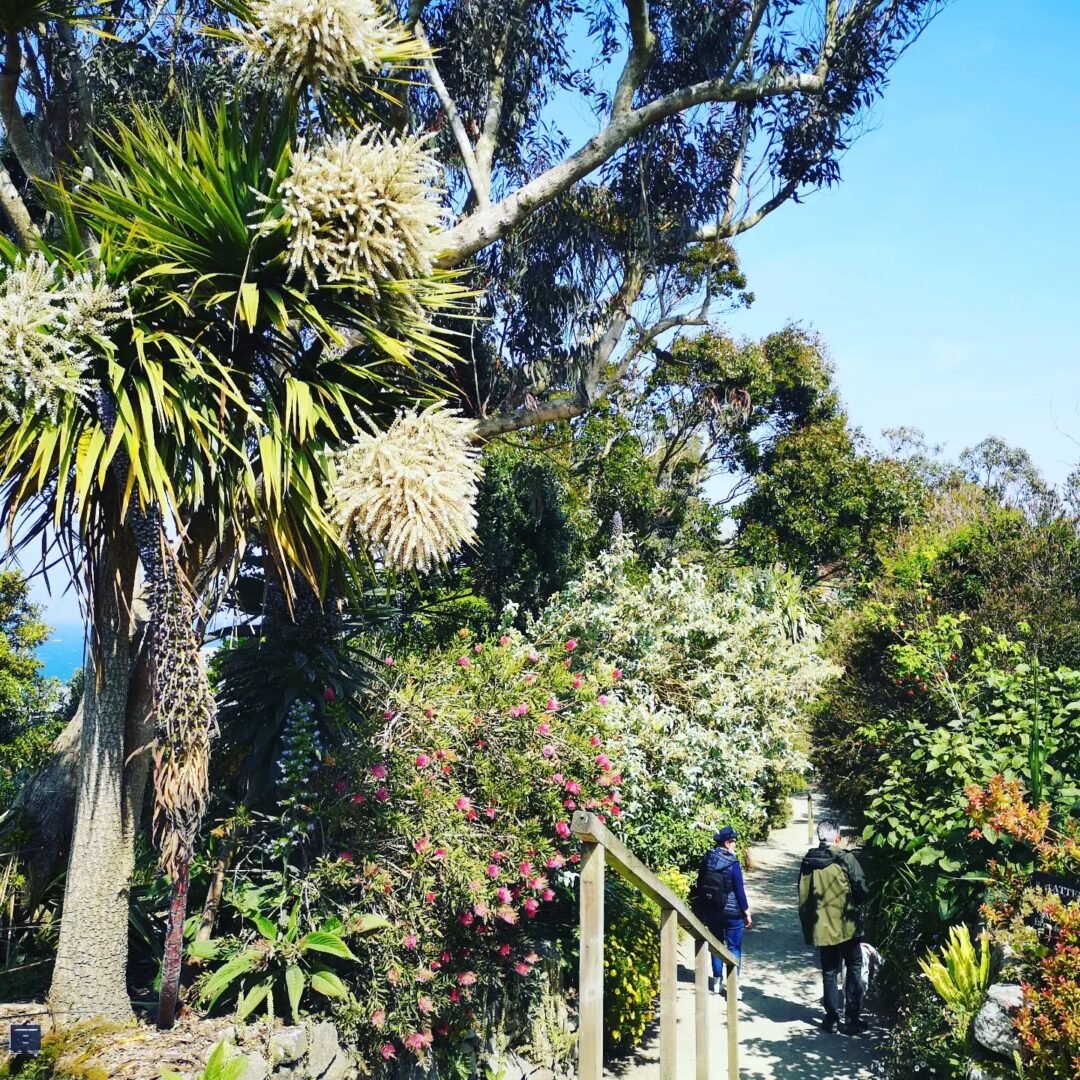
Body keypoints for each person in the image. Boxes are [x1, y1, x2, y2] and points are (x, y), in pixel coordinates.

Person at [798, 819, 869, 1034]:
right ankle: (852, 1018)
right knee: (854, 965)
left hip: (821, 925)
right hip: (846, 924)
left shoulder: (808, 861)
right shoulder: (846, 858)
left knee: (829, 970)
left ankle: (832, 1019)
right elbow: (862, 890)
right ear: (837, 838)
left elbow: (802, 894)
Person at [692, 825, 751, 996]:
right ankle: (733, 985)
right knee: (734, 947)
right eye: (733, 842)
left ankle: (716, 983)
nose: (735, 845)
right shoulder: (733, 863)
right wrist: (746, 912)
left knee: (716, 944)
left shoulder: (707, 859)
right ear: (727, 842)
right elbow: (739, 890)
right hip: (732, 912)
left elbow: (700, 883)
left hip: (712, 909)